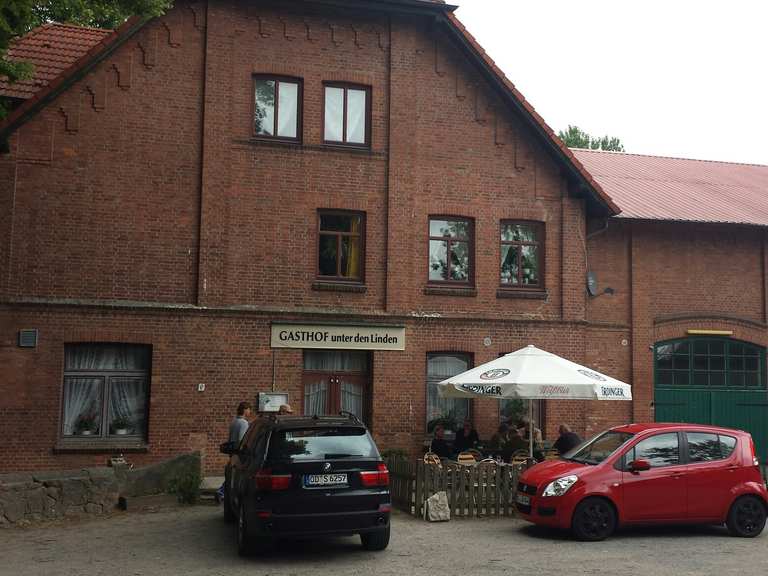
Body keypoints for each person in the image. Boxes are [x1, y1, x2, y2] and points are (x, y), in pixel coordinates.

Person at [218, 401, 253, 502]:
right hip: (238, 454)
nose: (250, 412)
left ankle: (222, 492)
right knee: (236, 476)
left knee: (232, 475)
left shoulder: (234, 421)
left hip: (232, 452)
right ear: (245, 410)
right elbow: (242, 440)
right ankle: (221, 492)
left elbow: (230, 438)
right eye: (249, 409)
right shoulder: (243, 423)